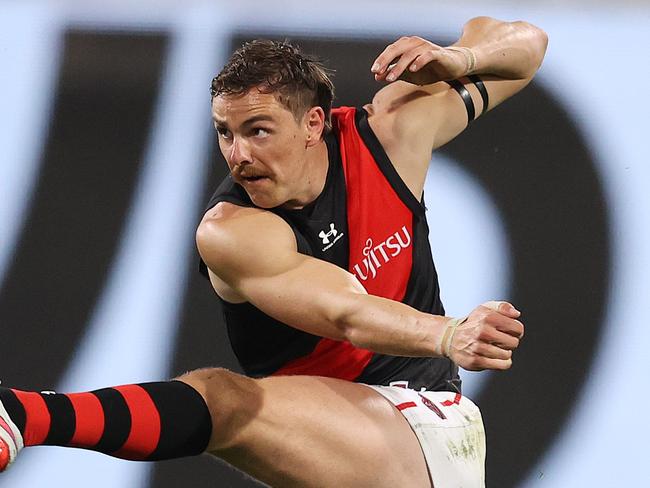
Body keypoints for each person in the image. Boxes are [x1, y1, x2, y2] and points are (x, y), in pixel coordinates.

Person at [0, 16, 547, 487]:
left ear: (313, 123)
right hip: (332, 437)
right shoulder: (232, 230)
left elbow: (526, 44)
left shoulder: (389, 134)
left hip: (427, 422)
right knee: (227, 401)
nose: (238, 156)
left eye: (258, 130)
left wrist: (459, 58)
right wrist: (449, 334)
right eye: (224, 133)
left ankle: (21, 412)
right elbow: (346, 312)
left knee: (224, 399)